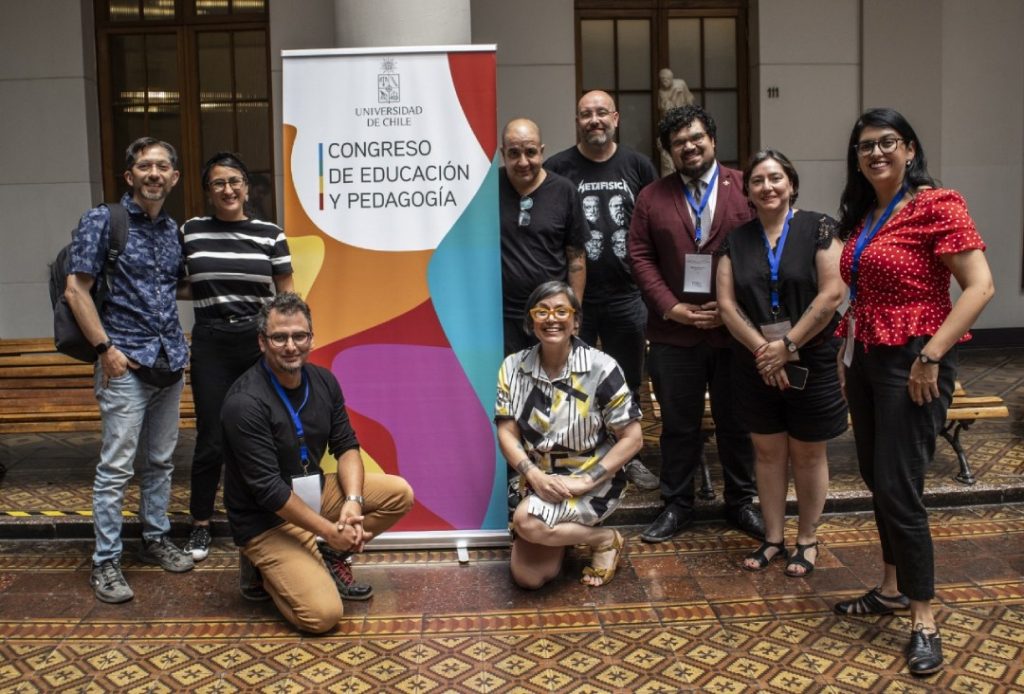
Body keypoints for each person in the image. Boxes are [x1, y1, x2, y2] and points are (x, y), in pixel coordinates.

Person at [831, 108, 993, 676]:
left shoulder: (936, 204)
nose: (875, 153)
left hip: (914, 359)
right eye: (864, 146)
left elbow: (980, 286)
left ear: (909, 148)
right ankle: (891, 587)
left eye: (886, 143)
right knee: (878, 478)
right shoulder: (868, 211)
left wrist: (931, 355)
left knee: (900, 489)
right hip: (867, 355)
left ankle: (924, 619)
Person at [220, 292, 414, 634]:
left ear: (311, 337)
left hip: (311, 494)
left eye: (299, 336)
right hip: (266, 519)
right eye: (279, 337)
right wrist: (329, 532)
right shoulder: (244, 402)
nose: (291, 346)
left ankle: (327, 556)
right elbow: (267, 491)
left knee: (400, 493)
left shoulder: (324, 381)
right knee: (323, 616)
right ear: (262, 342)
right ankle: (264, 572)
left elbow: (347, 445)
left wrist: (352, 504)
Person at [65, 137, 195, 603]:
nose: (154, 174)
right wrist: (106, 350)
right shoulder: (104, 220)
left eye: (163, 166)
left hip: (169, 363)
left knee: (160, 462)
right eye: (145, 166)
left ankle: (156, 537)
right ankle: (106, 562)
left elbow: (168, 290)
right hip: (124, 365)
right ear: (130, 175)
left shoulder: (172, 230)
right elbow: (76, 290)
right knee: (116, 468)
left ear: (174, 178)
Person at [628, 105, 764, 543]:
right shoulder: (651, 196)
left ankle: (741, 502)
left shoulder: (746, 186)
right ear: (668, 151)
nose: (688, 147)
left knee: (737, 421)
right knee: (678, 425)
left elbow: (767, 245)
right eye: (678, 142)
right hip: (674, 333)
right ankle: (677, 504)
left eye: (696, 138)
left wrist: (732, 310)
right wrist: (671, 307)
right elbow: (640, 257)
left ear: (713, 140)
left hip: (735, 332)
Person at [716, 149, 847, 576]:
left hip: (811, 357)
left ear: (791, 183)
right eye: (758, 181)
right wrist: (764, 351)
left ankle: (806, 539)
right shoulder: (735, 238)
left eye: (775, 178)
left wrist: (786, 346)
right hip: (756, 363)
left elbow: (831, 295)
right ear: (748, 191)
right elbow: (727, 306)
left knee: (809, 453)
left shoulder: (819, 227)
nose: (767, 187)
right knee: (767, 452)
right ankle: (773, 537)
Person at [179, 152, 294, 562]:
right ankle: (200, 524)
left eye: (234, 181)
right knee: (211, 437)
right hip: (211, 340)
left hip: (257, 340)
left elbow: (286, 296)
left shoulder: (270, 234)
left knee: (269, 428)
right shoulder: (190, 231)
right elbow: (179, 284)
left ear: (246, 186)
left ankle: (277, 514)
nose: (227, 189)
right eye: (217, 183)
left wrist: (285, 342)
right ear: (208, 191)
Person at [545, 90, 660, 492]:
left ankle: (631, 457)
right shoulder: (557, 168)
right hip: (574, 300)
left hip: (628, 296)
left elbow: (653, 227)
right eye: (585, 114)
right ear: (577, 120)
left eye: (601, 113)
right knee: (570, 381)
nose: (594, 120)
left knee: (627, 382)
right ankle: (573, 458)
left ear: (616, 117)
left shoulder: (638, 166)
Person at [496, 281, 643, 589]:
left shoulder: (602, 368)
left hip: (592, 479)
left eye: (562, 311)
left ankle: (604, 539)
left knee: (526, 522)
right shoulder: (512, 367)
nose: (552, 318)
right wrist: (534, 476)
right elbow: (507, 433)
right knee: (529, 578)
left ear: (576, 321)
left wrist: (587, 481)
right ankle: (566, 533)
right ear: (530, 321)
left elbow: (633, 437)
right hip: (541, 479)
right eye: (542, 311)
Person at [499, 118, 587, 355]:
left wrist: (573, 313)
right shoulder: (487, 190)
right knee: (509, 387)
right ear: (502, 153)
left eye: (530, 152)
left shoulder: (564, 191)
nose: (523, 162)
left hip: (551, 317)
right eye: (514, 153)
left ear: (542, 151)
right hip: (502, 317)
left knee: (552, 386)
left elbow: (576, 260)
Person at [656, 69, 695, 176]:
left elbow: (690, 99)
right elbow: (665, 109)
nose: (664, 82)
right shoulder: (661, 92)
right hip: (670, 125)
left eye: (667, 79)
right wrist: (674, 94)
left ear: (671, 78)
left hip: (684, 121)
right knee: (668, 163)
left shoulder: (680, 84)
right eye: (662, 80)